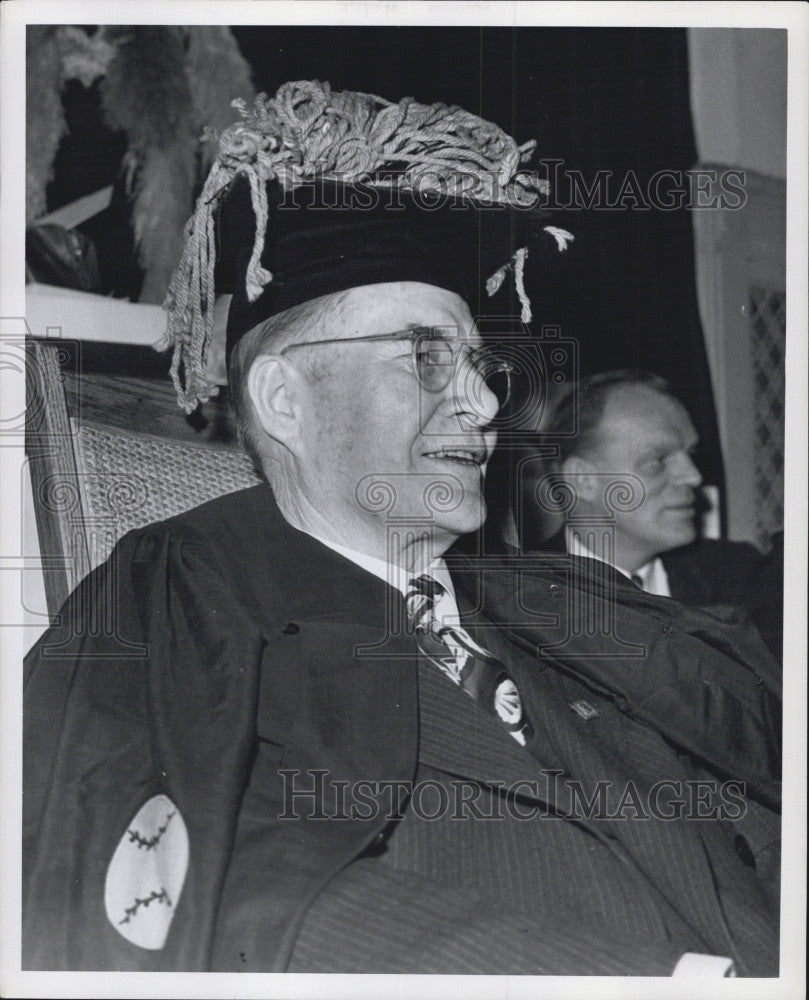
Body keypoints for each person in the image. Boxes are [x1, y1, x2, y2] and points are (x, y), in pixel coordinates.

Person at [23, 81, 781, 976]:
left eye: (478, 363)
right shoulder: (182, 588)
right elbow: (201, 890)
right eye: (424, 357)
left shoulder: (557, 602)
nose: (485, 399)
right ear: (283, 399)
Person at [533, 369, 781, 656]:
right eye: (657, 461)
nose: (693, 476)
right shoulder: (524, 604)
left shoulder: (739, 577)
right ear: (583, 481)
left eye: (691, 455)